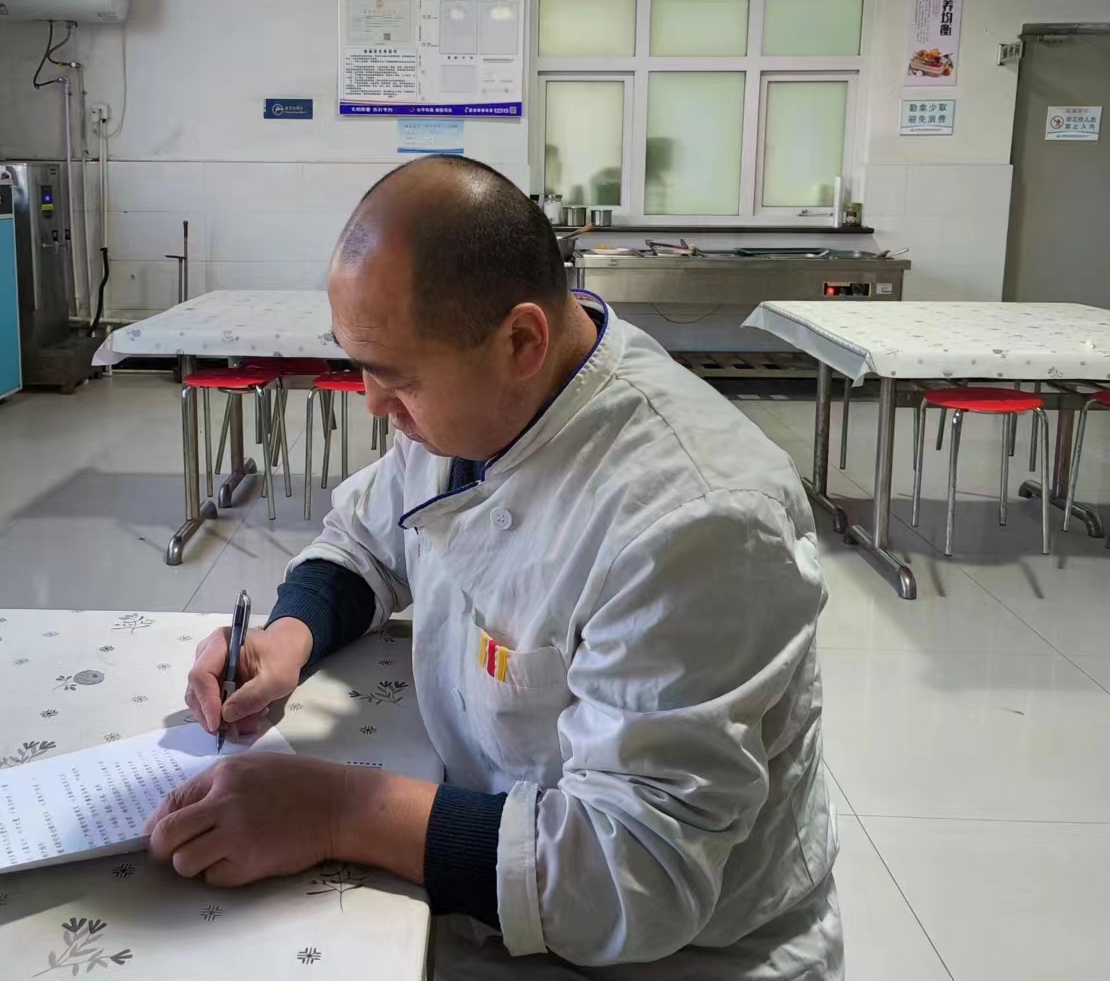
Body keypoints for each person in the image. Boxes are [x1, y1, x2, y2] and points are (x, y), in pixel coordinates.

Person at [143, 155, 840, 979]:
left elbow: (633, 875)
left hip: (676, 955)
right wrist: (289, 636)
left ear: (520, 341)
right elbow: (367, 536)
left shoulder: (696, 519)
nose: (373, 403)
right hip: (491, 870)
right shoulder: (478, 407)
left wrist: (339, 810)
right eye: (359, 364)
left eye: (396, 378)